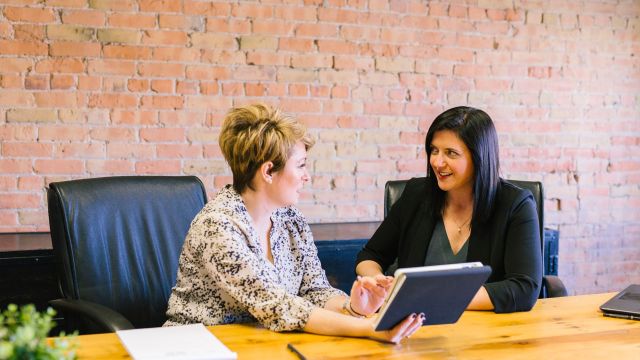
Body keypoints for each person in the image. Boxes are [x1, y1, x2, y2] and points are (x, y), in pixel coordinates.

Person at [164, 103, 423, 343]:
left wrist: (353, 307)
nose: (306, 176)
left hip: (264, 344)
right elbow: (278, 306)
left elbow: (315, 290)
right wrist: (370, 328)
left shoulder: (290, 219)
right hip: (197, 346)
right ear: (267, 171)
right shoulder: (218, 226)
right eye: (300, 166)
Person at [355, 106, 543, 313]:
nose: (437, 162)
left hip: (486, 330)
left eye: (451, 153)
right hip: (414, 328)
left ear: (479, 157)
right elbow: (370, 255)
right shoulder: (416, 195)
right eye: (434, 150)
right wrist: (376, 281)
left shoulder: (516, 205)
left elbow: (525, 288)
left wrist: (432, 298)